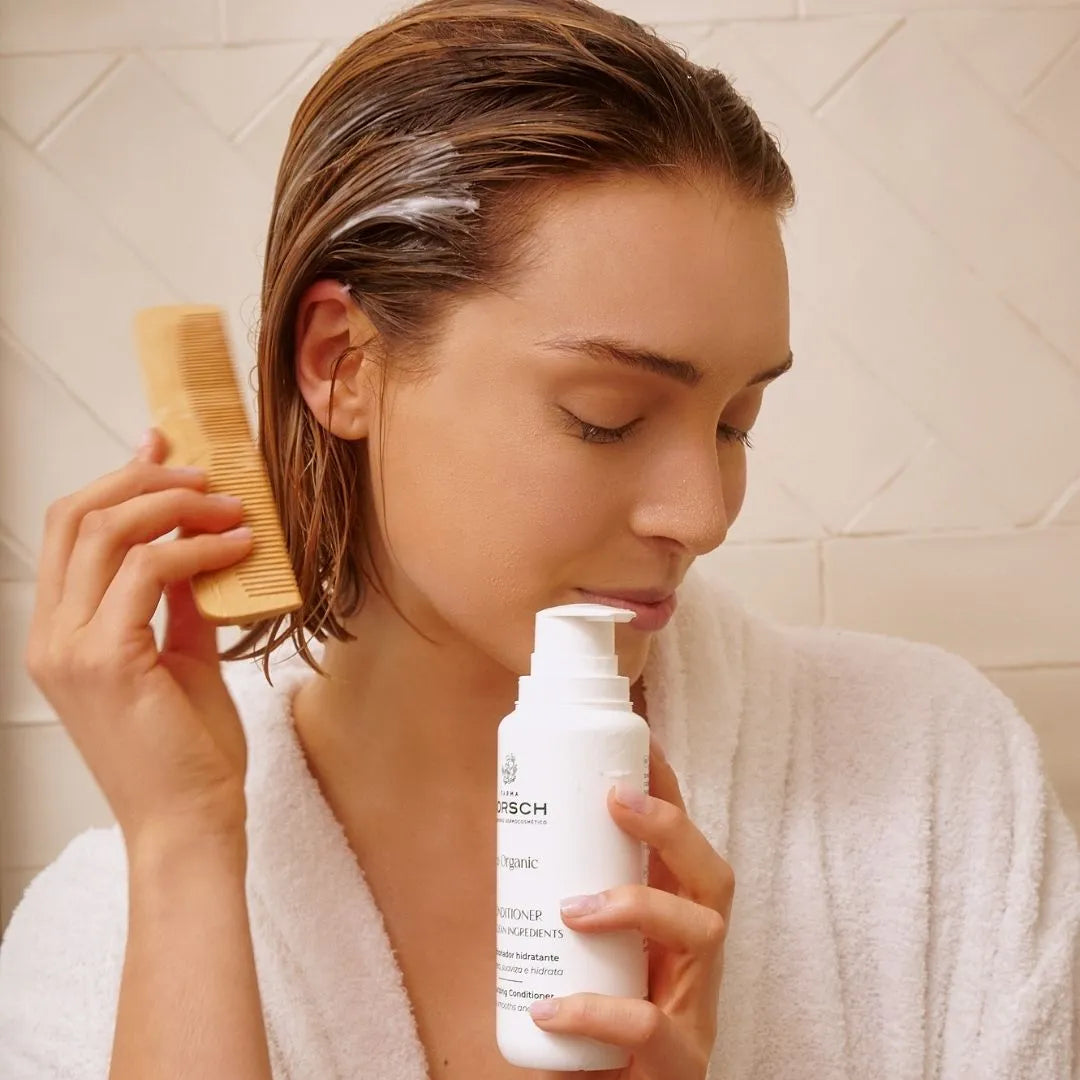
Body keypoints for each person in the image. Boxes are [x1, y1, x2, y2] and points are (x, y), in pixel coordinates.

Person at [1, 1, 1077, 1078]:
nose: (701, 516)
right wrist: (187, 851)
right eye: (605, 415)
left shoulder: (930, 782)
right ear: (343, 362)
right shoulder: (103, 929)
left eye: (736, 422)